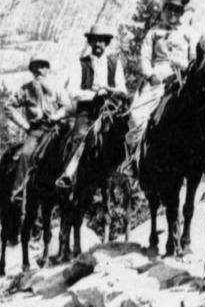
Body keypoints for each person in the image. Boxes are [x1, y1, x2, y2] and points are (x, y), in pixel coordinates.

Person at [126, 0, 200, 170]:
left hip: (183, 77)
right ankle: (134, 160)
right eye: (169, 10)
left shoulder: (189, 32)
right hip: (157, 79)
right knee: (136, 117)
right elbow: (144, 57)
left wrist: (185, 67)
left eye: (177, 10)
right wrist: (151, 75)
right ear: (163, 10)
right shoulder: (154, 32)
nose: (173, 14)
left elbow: (194, 58)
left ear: (182, 13)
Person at [58, 28, 129, 189]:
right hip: (87, 111)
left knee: (126, 133)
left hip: (110, 109)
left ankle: (129, 171)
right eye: (95, 40)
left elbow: (123, 90)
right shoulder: (81, 64)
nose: (98, 43)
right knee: (79, 136)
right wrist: (91, 95)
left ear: (107, 43)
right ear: (90, 42)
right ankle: (69, 175)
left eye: (102, 40)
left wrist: (109, 90)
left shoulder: (114, 64)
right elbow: (72, 90)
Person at [7, 57, 68, 205]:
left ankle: (70, 185)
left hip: (55, 129)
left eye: (42, 66)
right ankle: (18, 191)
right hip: (36, 131)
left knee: (70, 148)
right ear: (32, 70)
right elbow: (8, 106)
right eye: (36, 67)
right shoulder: (25, 89)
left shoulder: (56, 87)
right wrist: (25, 125)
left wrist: (56, 115)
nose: (39, 70)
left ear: (48, 69)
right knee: (26, 154)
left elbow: (67, 106)